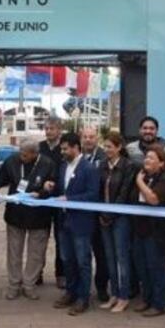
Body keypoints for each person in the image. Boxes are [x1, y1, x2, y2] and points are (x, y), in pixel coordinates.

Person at [0, 138, 58, 300]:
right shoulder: (13, 160)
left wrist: (42, 192)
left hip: (39, 216)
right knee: (14, 252)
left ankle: (29, 284)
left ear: (35, 154)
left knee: (36, 253)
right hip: (15, 214)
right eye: (20, 153)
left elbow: (54, 186)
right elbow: (2, 178)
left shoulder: (48, 164)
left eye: (25, 155)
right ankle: (14, 284)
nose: (22, 157)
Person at [52, 132, 100, 316]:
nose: (62, 152)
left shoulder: (89, 168)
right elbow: (60, 189)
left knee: (83, 261)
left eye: (65, 149)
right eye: (61, 149)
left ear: (75, 147)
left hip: (81, 223)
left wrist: (69, 199)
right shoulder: (63, 166)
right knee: (68, 260)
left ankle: (83, 297)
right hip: (64, 222)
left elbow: (92, 195)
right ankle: (70, 292)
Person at [132, 145, 165, 317]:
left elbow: (153, 199)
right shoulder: (145, 176)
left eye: (152, 158)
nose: (147, 161)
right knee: (142, 267)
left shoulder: (164, 179)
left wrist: (139, 182)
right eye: (146, 157)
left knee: (156, 268)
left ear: (161, 163)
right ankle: (147, 298)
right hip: (140, 229)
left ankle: (159, 303)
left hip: (157, 232)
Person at [97, 132, 136, 312]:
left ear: (119, 147)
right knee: (109, 256)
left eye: (110, 147)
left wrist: (111, 214)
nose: (107, 150)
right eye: (105, 147)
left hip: (120, 218)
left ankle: (124, 295)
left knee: (122, 257)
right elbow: (98, 190)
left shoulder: (128, 166)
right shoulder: (102, 165)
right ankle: (114, 293)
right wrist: (102, 213)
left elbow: (125, 192)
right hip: (104, 217)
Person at [79, 125, 110, 302]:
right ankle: (80, 288)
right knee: (81, 254)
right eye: (85, 137)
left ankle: (101, 287)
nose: (88, 140)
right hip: (80, 215)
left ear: (97, 138)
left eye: (91, 137)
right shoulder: (76, 157)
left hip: (99, 214)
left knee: (101, 254)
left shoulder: (105, 157)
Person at [39, 117, 65, 288]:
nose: (48, 131)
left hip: (61, 198)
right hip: (42, 198)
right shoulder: (40, 148)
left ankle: (61, 273)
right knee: (40, 237)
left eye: (52, 128)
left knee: (61, 237)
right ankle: (37, 272)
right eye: (46, 128)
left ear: (59, 131)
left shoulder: (65, 148)